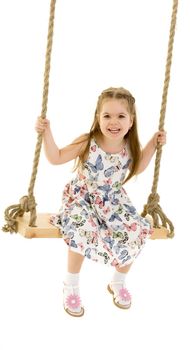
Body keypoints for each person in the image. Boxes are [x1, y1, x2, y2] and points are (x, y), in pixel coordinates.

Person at [35, 87, 166, 317]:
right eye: (107, 115)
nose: (113, 122)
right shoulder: (88, 142)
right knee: (81, 228)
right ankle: (71, 284)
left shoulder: (130, 148)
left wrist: (154, 144)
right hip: (82, 198)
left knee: (137, 231)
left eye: (121, 116)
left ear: (131, 121)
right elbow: (55, 158)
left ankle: (118, 282)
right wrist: (46, 132)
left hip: (113, 202)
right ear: (98, 117)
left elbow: (140, 166)